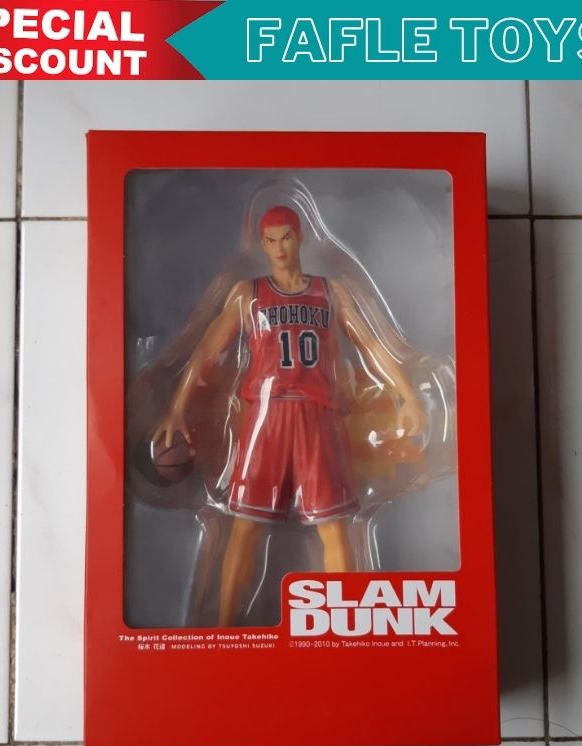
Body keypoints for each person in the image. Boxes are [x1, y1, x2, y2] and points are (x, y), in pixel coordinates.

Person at [154, 205, 425, 626]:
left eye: (285, 237)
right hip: (267, 416)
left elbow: (371, 344)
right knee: (246, 526)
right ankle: (223, 627)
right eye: (270, 240)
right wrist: (175, 408)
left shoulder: (330, 292)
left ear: (300, 238)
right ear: (261, 244)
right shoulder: (247, 293)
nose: (279, 247)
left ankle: (346, 626)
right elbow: (206, 351)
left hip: (318, 416)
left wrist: (408, 395)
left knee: (333, 526)